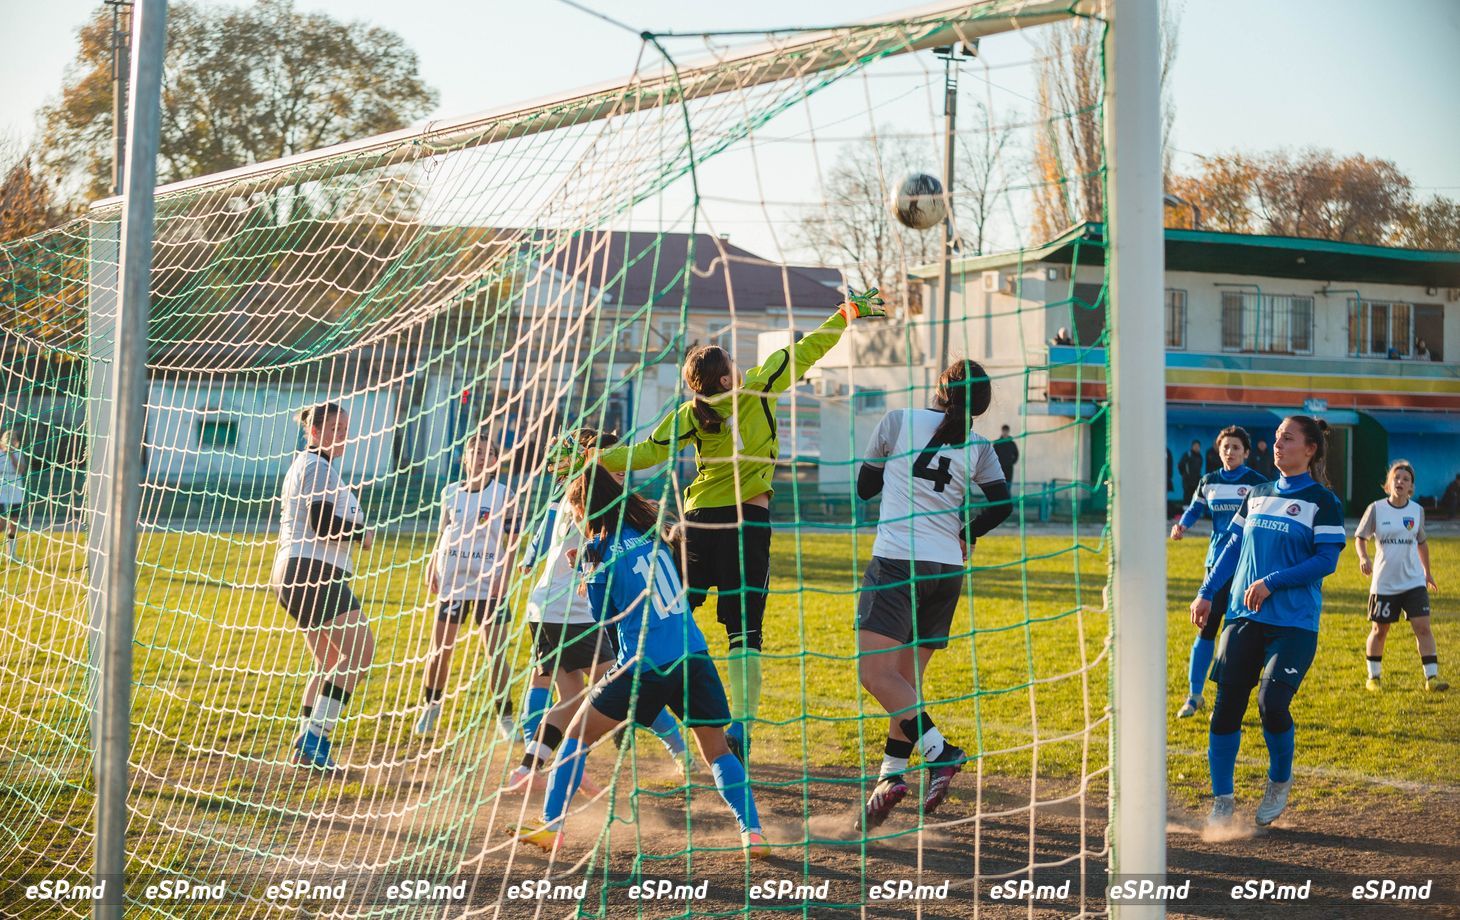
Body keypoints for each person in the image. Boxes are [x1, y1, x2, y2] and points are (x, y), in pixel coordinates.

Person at [592, 288, 884, 764]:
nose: (739, 361)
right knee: (744, 634)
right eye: (732, 358)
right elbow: (808, 348)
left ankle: (630, 701)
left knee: (665, 616)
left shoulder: (691, 413)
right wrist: (845, 314)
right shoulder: (759, 387)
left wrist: (591, 460)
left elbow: (645, 452)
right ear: (728, 375)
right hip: (747, 525)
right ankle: (740, 728)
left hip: (697, 525)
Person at [513, 465, 768, 858]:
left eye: (575, 511)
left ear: (585, 510)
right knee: (717, 751)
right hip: (694, 657)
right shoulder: (649, 535)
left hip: (643, 665)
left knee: (577, 737)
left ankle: (551, 826)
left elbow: (601, 617)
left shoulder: (598, 552)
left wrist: (585, 566)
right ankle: (753, 831)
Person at [854, 360, 1011, 830]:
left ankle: (940, 754)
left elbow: (864, 489)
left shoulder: (898, 420)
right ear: (981, 405)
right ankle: (890, 778)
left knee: (875, 676)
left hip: (898, 562)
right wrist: (968, 530)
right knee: (905, 685)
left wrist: (894, 467)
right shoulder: (981, 446)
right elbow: (1001, 504)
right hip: (947, 569)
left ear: (941, 390)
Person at [509, 429, 687, 791]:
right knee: (630, 687)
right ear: (594, 463)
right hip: (572, 614)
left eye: (624, 459)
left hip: (545, 611)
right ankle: (681, 750)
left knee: (571, 698)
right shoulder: (591, 500)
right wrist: (589, 562)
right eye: (614, 460)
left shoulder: (578, 495)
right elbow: (594, 544)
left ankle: (530, 768)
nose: (622, 465)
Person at [1190, 415, 1345, 829]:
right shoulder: (1256, 493)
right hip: (1243, 617)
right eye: (1276, 437)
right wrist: (1207, 592)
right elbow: (1231, 546)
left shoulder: (1323, 501)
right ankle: (1223, 800)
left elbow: (1326, 561)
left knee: (1271, 704)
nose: (1277, 444)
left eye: (1288, 438)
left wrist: (1271, 582)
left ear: (1310, 449)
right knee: (1225, 710)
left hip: (1294, 624)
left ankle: (1278, 782)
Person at [272, 403, 376, 770]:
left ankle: (306, 742)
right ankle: (315, 737)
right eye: (333, 427)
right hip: (311, 570)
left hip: (292, 571)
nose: (342, 434)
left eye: (345, 426)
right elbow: (323, 523)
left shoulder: (316, 465)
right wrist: (361, 534)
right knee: (361, 652)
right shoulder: (317, 465)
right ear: (313, 432)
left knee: (330, 661)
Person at [415, 431, 516, 739]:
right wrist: (433, 563)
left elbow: (512, 542)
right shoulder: (450, 493)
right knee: (439, 651)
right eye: (476, 451)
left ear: (496, 460)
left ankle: (506, 717)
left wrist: (504, 576)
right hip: (453, 579)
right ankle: (431, 706)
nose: (482, 457)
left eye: (488, 452)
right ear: (465, 458)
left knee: (495, 653)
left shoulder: (504, 494)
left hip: (489, 582)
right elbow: (442, 533)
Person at [1170, 426, 1268, 718]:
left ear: (1246, 453)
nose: (1230, 452)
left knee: (1238, 634)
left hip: (1246, 567)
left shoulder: (1258, 484)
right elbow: (1194, 509)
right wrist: (1182, 525)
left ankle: (1228, 701)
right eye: (1225, 447)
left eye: (1236, 447)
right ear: (1219, 451)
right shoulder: (1208, 481)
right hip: (1216, 565)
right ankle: (1194, 696)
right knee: (1206, 629)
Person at [1356, 461, 1446, 692]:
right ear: (1389, 483)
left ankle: (1432, 678)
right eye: (1397, 477)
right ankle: (1373, 678)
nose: (1400, 482)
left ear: (1411, 487)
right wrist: (1364, 557)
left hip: (1413, 581)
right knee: (1380, 630)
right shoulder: (1376, 508)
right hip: (1384, 582)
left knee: (1423, 627)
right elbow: (1360, 537)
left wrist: (1427, 572)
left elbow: (1422, 542)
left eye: (1406, 479)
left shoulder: (1417, 511)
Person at [0, 430, 26, 563]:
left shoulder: (18, 453)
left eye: (12, 439)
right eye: (7, 439)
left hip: (15, 492)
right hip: (2, 492)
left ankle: (12, 555)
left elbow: (21, 469)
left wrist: (11, 456)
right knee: (1, 524)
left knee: (13, 523)